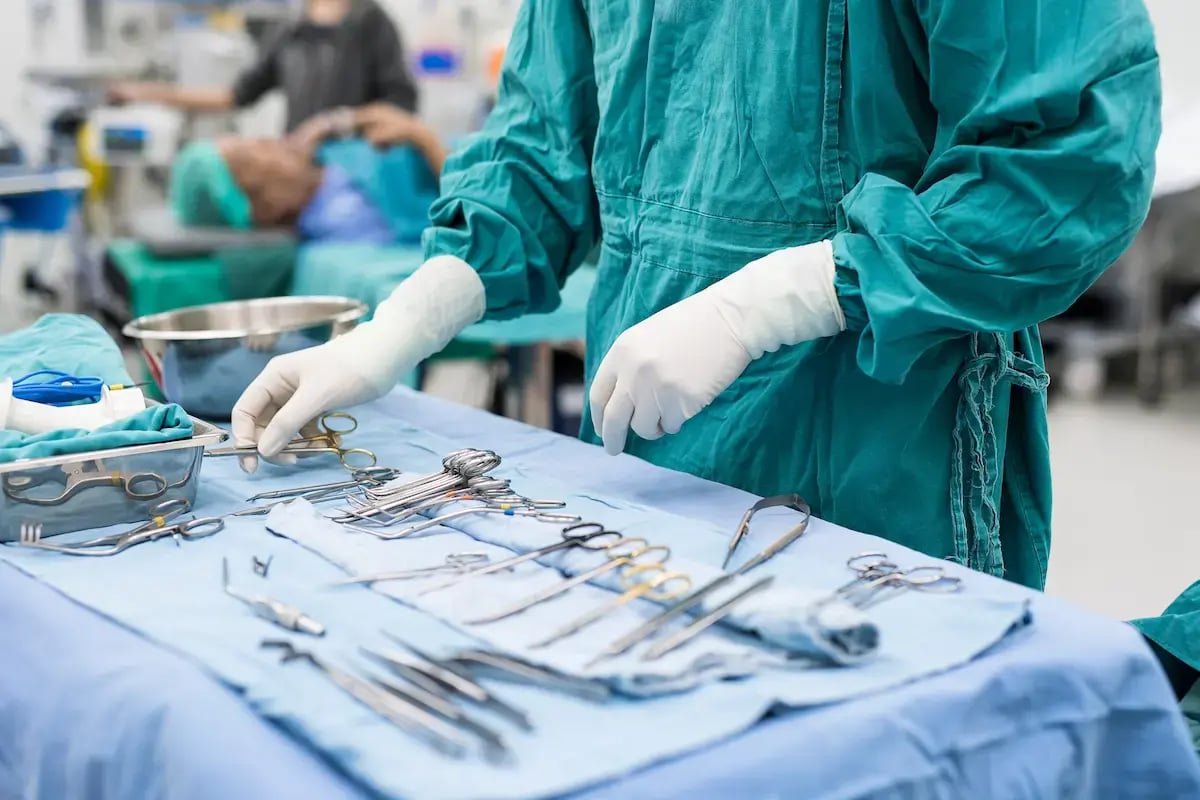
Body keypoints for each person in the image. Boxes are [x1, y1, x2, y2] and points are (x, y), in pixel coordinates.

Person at [231, 0, 1161, 590]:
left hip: (878, 461)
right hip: (641, 455)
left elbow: (1063, 162)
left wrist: (777, 297)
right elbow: (536, 152)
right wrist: (396, 330)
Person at [110, 0, 417, 133]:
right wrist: (146, 93)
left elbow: (400, 108)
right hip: (297, 165)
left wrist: (334, 124)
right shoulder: (289, 30)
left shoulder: (371, 23)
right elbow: (234, 96)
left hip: (355, 173)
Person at [168, 104, 442, 242]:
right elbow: (474, 208)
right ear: (266, 208)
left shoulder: (322, 164)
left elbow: (385, 114)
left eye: (250, 139)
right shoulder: (347, 217)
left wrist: (332, 122)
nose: (265, 141)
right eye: (252, 156)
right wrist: (425, 140)